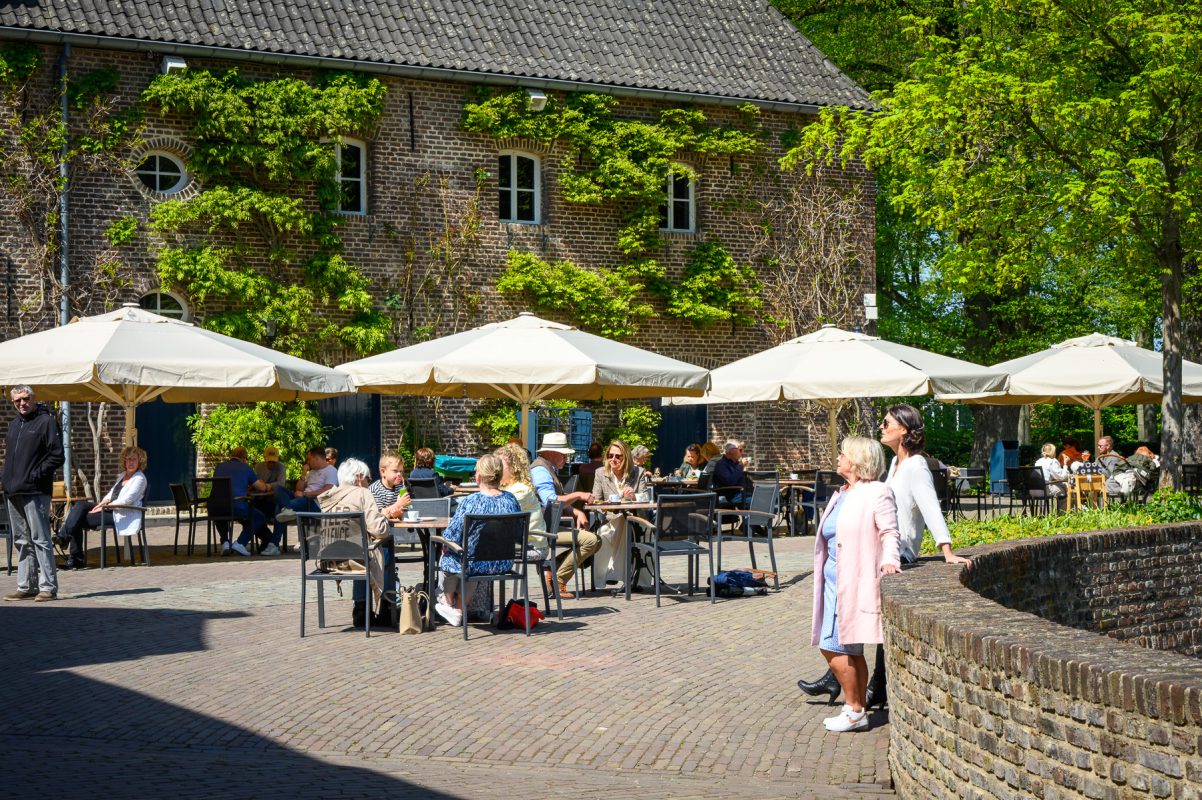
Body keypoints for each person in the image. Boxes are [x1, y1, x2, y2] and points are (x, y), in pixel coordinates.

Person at [799, 403, 970, 706]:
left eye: (887, 423)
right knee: (857, 614)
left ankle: (861, 683)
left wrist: (947, 550)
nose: (881, 427)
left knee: (864, 615)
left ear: (904, 430)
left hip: (896, 552)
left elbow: (931, 507)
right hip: (874, 547)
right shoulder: (894, 464)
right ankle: (848, 677)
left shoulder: (917, 466)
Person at [808, 436, 901, 732]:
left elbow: (889, 532)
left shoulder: (877, 492)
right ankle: (855, 709)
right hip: (833, 581)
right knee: (849, 648)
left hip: (854, 579)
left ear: (857, 460)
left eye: (843, 454)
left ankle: (855, 707)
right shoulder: (842, 492)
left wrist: (890, 561)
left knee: (831, 646)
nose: (838, 457)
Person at [434, 453, 521, 626]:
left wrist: (445, 543)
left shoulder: (470, 501)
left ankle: (447, 601)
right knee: (472, 559)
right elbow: (518, 531)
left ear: (478, 476)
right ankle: (459, 609)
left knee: (450, 553)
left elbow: (452, 535)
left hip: (474, 563)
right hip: (503, 562)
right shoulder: (511, 499)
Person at [3, 384, 64, 602]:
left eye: (26, 398)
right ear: (13, 403)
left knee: (40, 539)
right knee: (21, 540)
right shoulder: (14, 425)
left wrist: (35, 475)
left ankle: (48, 587)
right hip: (13, 491)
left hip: (35, 491)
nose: (22, 403)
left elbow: (57, 455)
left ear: (34, 398)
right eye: (17, 400)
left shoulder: (45, 422)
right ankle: (26, 586)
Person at [317, 458, 392, 627]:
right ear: (359, 478)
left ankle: (361, 609)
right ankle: (387, 607)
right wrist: (385, 516)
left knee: (359, 550)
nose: (368, 483)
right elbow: (379, 530)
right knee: (383, 553)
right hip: (354, 561)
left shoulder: (327, 497)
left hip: (328, 561)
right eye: (367, 479)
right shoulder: (362, 493)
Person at [54, 445, 148, 570]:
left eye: (134, 459)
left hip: (122, 513)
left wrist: (105, 508)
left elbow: (127, 500)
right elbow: (109, 495)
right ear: (124, 461)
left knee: (78, 518)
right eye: (128, 459)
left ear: (139, 461)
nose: (130, 462)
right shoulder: (122, 476)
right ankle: (66, 542)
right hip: (111, 509)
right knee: (81, 505)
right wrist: (100, 505)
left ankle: (72, 551)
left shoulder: (139, 479)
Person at [494, 443, 556, 593]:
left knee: (479, 554)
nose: (497, 469)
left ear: (514, 468)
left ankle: (472, 605)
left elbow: (495, 515)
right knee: (478, 552)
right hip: (520, 543)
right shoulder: (508, 489)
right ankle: (472, 605)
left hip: (533, 546)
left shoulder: (520, 490)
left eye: (500, 465)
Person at [590, 439, 648, 589]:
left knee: (633, 525)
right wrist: (607, 504)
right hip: (609, 519)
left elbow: (646, 498)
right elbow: (595, 501)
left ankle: (625, 576)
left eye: (618, 456)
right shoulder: (601, 473)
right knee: (617, 524)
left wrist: (634, 496)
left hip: (636, 520)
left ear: (626, 457)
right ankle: (619, 575)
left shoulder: (638, 472)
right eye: (610, 455)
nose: (613, 460)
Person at [213, 446, 272, 556]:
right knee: (258, 517)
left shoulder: (219, 467)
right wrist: (267, 486)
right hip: (237, 506)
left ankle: (225, 542)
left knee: (221, 511)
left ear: (231, 456)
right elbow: (261, 488)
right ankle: (241, 543)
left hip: (215, 507)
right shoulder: (245, 468)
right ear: (244, 458)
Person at [530, 432, 594, 529]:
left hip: (549, 526)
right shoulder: (540, 470)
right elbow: (551, 502)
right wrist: (579, 495)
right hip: (542, 531)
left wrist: (577, 513)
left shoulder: (547, 468)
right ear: (551, 453)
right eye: (563, 455)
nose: (566, 459)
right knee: (592, 540)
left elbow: (558, 503)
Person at [369, 450, 412, 521]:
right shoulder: (375, 490)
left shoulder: (400, 488)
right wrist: (398, 504)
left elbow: (408, 511)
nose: (399, 474)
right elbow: (378, 515)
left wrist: (399, 514)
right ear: (383, 472)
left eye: (401, 471)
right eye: (395, 471)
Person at [713, 440, 751, 507]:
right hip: (732, 496)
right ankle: (750, 517)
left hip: (743, 493)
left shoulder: (734, 463)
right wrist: (741, 465)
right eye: (740, 450)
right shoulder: (721, 464)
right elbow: (730, 481)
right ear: (732, 451)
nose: (743, 452)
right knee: (762, 502)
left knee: (770, 499)